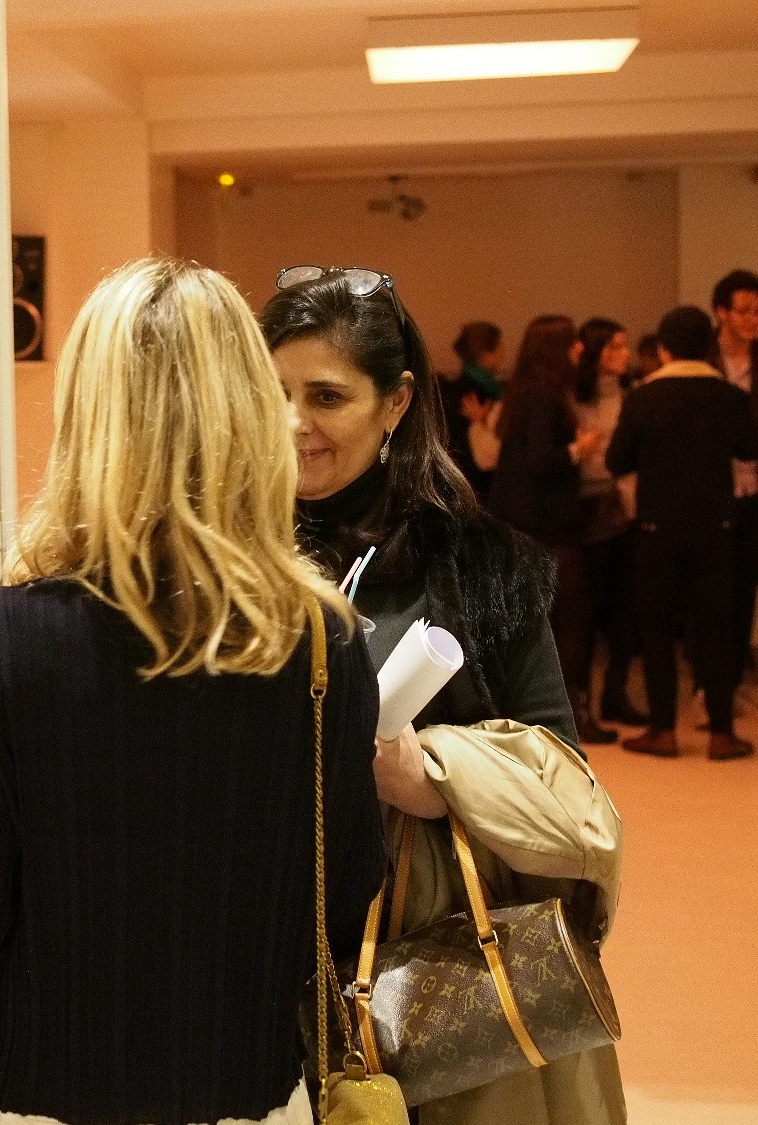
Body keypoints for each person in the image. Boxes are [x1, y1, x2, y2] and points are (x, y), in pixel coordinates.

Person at [0, 258, 387, 1125]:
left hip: (43, 1092)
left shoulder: (5, 634)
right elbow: (350, 882)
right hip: (247, 1087)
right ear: (251, 413)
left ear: (87, 416)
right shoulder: (325, 638)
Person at [261, 268, 626, 1125]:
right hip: (254, 957)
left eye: (325, 396)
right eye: (272, 393)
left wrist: (436, 772)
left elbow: (567, 784)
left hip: (426, 972)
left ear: (396, 402)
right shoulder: (218, 550)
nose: (292, 423)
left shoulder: (479, 566)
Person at [607, 306, 758, 760]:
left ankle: (662, 730)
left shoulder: (644, 397)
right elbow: (749, 450)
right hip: (717, 526)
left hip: (657, 527)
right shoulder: (730, 397)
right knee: (717, 626)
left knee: (656, 627)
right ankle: (722, 733)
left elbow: (617, 461)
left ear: (663, 349)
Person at [488, 315, 615, 744]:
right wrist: (580, 448)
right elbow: (541, 460)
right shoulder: (544, 396)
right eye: (573, 342)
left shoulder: (525, 391)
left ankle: (538, 713)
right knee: (572, 619)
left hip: (523, 524)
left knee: (538, 621)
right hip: (547, 527)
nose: (580, 348)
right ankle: (573, 715)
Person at [573, 318, 645, 727]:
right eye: (615, 347)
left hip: (628, 505)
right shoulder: (573, 394)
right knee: (586, 610)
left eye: (625, 346)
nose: (624, 354)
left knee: (626, 607)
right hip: (589, 504)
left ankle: (616, 694)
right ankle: (580, 702)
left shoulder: (632, 391)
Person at [710, 270, 758, 679]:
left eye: (757, 311)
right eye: (743, 311)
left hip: (754, 486)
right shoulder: (704, 358)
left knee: (745, 581)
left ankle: (735, 668)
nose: (752, 320)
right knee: (711, 584)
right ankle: (708, 673)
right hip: (712, 485)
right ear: (721, 313)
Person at [444, 321, 504, 499]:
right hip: (478, 480)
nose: (503, 352)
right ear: (486, 354)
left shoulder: (455, 387)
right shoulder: (479, 393)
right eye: (499, 347)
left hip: (463, 476)